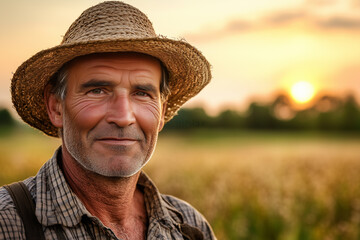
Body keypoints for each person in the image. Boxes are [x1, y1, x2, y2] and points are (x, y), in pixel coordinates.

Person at [0, 1, 216, 240]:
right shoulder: (8, 223)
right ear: (56, 107)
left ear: (162, 112)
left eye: (142, 93)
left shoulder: (191, 227)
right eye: (98, 90)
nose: (123, 117)